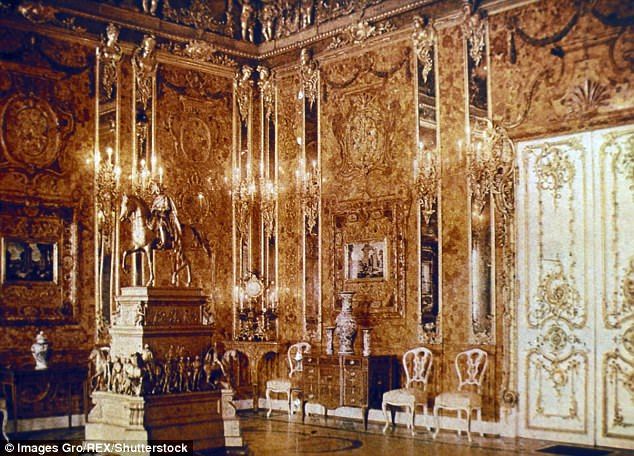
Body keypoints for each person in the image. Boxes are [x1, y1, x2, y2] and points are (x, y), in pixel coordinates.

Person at [150, 181, 182, 250]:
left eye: (158, 189)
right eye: (156, 190)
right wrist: (154, 210)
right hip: (156, 216)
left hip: (164, 215)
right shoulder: (156, 199)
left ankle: (163, 242)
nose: (157, 191)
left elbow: (167, 207)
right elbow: (152, 208)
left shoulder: (165, 198)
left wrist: (160, 209)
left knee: (161, 224)